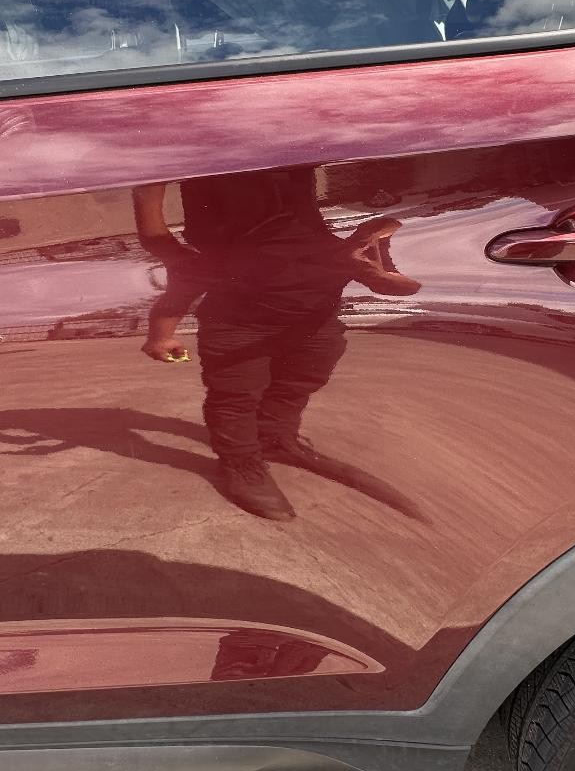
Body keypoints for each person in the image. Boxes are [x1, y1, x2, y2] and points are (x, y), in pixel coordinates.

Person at [133, 171, 419, 520]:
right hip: (237, 328)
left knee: (309, 370)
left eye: (374, 259)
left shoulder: (337, 251)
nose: (370, 258)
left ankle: (273, 437)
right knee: (237, 395)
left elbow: (393, 277)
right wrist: (161, 336)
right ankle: (241, 463)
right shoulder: (234, 255)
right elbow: (177, 279)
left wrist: (371, 264)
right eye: (372, 253)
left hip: (312, 327)